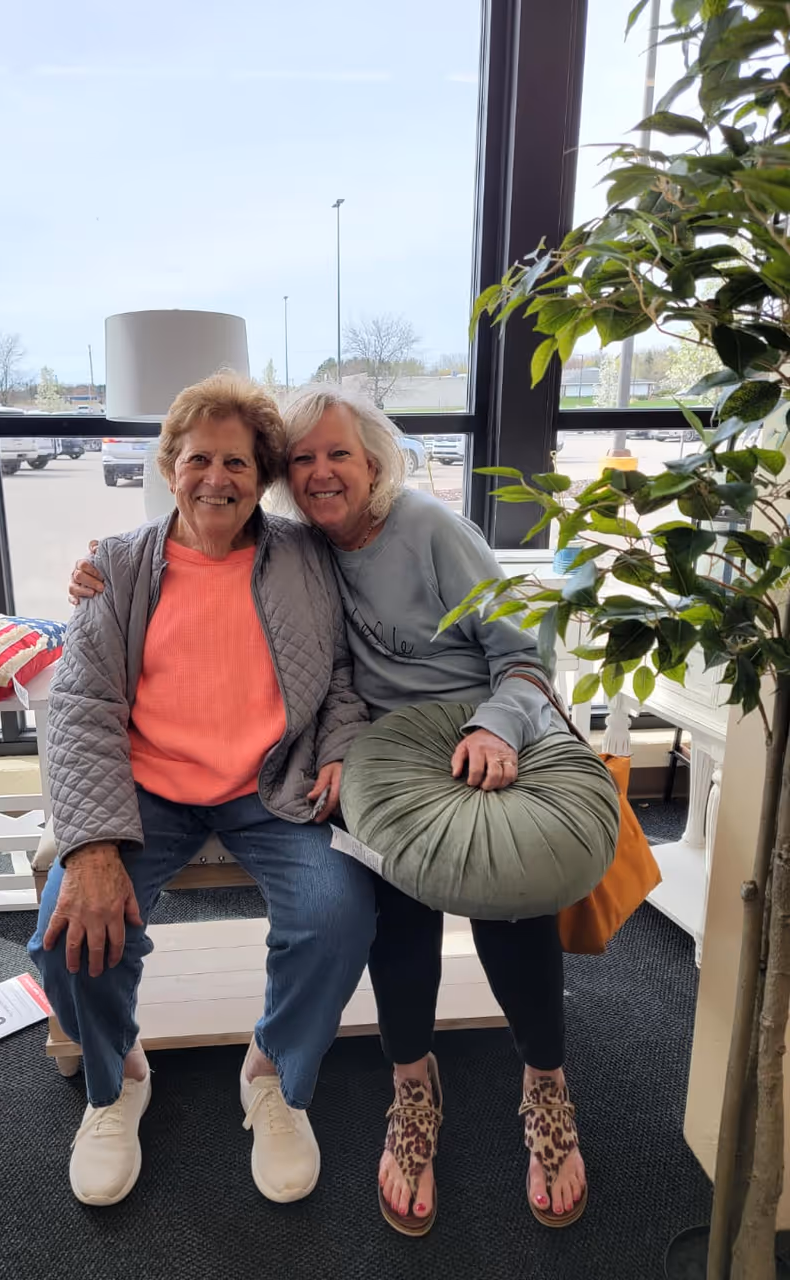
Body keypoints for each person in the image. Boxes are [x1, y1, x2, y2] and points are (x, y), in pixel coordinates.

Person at [69, 385, 592, 1235]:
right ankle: (396, 1085)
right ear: (171, 468)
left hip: (439, 743)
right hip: (296, 770)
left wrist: (465, 731)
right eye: (302, 458)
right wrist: (103, 570)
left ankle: (533, 1079)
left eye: (336, 454)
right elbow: (89, 699)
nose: (318, 472)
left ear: (372, 462)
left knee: (476, 892)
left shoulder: (411, 532)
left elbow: (507, 650)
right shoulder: (270, 549)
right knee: (382, 898)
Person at [34, 372, 375, 1210]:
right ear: (168, 464)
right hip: (147, 789)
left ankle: (275, 1074)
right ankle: (116, 1082)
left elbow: (336, 677)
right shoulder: (116, 566)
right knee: (63, 931)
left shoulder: (304, 559)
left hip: (272, 783)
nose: (215, 478)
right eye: (197, 459)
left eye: (236, 462)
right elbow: (80, 706)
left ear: (261, 477)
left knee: (339, 912)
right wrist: (92, 845)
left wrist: (338, 750)